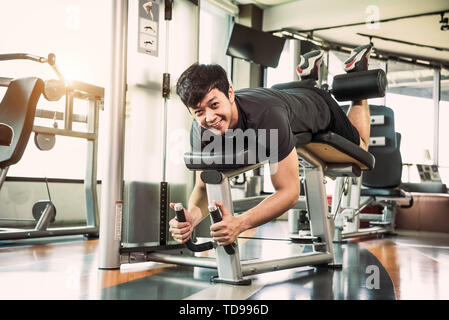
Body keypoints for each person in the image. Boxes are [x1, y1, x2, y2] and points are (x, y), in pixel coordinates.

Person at [168, 44, 373, 247]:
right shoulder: (200, 129)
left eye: (214, 105)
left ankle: (356, 79)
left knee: (361, 149)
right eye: (199, 112)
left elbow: (289, 192)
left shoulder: (266, 117)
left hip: (317, 104)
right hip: (283, 96)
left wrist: (240, 223)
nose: (209, 117)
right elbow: (203, 186)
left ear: (230, 93)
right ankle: (308, 77)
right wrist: (192, 217)